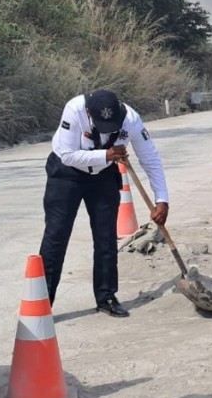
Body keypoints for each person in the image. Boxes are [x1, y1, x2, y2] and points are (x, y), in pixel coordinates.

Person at [39, 90, 168, 316]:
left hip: (103, 175)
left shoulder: (131, 119)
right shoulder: (75, 109)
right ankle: (41, 302)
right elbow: (67, 154)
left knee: (106, 237)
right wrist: (106, 155)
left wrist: (162, 199)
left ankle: (106, 296)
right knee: (56, 236)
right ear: (89, 114)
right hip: (66, 174)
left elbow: (150, 158)